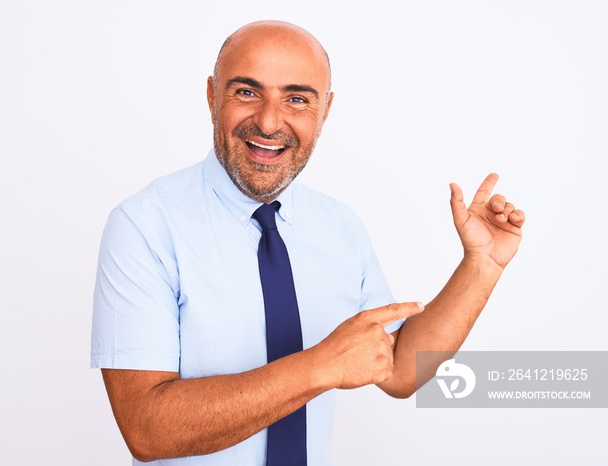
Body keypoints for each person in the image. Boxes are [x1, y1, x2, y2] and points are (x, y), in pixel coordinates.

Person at [91, 20, 525, 465]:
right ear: (211, 95)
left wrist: (481, 267)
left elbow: (398, 368)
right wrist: (320, 365)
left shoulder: (339, 226)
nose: (268, 121)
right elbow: (147, 430)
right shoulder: (144, 226)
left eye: (296, 99)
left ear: (325, 110)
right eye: (246, 92)